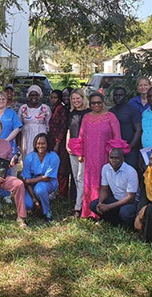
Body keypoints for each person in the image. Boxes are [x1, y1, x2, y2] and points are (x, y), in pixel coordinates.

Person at [73, 92, 129, 219]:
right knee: (89, 180)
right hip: (90, 156)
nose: (96, 105)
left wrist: (115, 157)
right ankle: (88, 211)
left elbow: (117, 137)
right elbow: (81, 137)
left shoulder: (110, 117)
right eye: (93, 103)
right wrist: (81, 153)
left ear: (103, 102)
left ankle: (103, 210)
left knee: (103, 181)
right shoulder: (86, 117)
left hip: (106, 157)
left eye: (98, 102)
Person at [89, 148, 138, 227]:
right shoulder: (105, 168)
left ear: (123, 159)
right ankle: (114, 222)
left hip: (130, 202)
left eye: (117, 158)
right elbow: (104, 189)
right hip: (116, 199)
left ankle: (127, 225)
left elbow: (130, 198)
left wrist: (109, 206)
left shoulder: (130, 171)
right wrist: (100, 203)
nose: (114, 160)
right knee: (93, 205)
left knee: (125, 213)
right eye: (111, 157)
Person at [21, 133, 59, 222]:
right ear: (35, 144)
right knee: (27, 205)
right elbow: (25, 181)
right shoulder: (30, 157)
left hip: (49, 183)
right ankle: (37, 205)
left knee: (40, 189)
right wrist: (34, 200)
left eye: (43, 143)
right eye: (38, 143)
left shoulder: (54, 156)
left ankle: (47, 212)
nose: (40, 146)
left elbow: (47, 178)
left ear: (48, 144)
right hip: (32, 185)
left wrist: (30, 180)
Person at [66, 88, 91, 218]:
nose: (76, 101)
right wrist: (67, 143)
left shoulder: (88, 113)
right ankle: (80, 203)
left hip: (84, 148)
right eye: (73, 99)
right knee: (76, 178)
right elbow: (69, 129)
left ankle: (78, 208)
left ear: (83, 98)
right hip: (72, 148)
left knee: (81, 177)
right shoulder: (71, 113)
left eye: (78, 98)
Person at [109, 86, 142, 170]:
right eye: (116, 95)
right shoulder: (110, 112)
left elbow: (138, 130)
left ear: (125, 97)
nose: (118, 97)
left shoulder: (132, 110)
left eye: (120, 95)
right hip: (115, 150)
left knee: (131, 172)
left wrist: (130, 147)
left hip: (131, 148)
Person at [18, 85, 52, 160]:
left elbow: (48, 124)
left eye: (36, 95)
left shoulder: (45, 108)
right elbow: (19, 126)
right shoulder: (23, 108)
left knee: (40, 154)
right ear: (28, 96)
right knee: (27, 155)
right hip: (27, 135)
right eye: (31, 95)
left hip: (41, 133)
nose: (34, 97)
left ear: (40, 95)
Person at [48, 89, 69, 198]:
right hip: (52, 141)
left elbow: (63, 127)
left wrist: (57, 143)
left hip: (60, 143)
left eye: (55, 97)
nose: (53, 100)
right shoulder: (54, 109)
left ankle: (62, 193)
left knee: (62, 168)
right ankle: (54, 190)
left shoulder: (62, 110)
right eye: (51, 97)